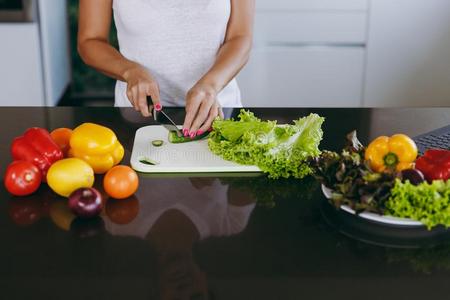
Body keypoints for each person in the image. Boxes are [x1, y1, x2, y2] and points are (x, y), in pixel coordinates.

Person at [77, 0, 255, 138]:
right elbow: (90, 41)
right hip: (140, 119)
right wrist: (130, 71)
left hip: (218, 112)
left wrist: (210, 85)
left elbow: (240, 37)